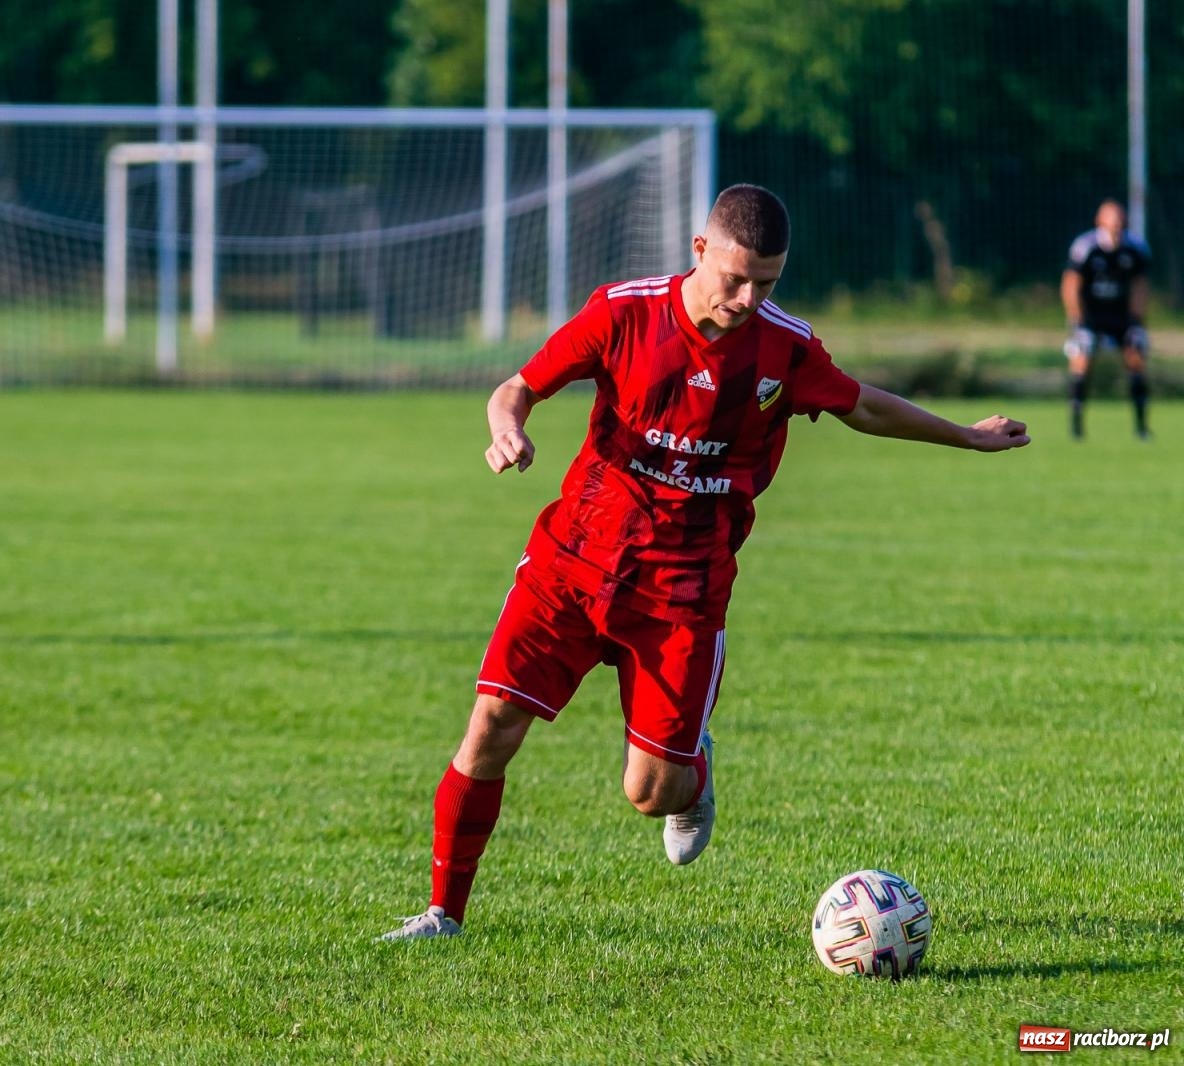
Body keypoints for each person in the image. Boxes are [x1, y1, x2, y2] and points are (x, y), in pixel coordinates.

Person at [380, 184, 1030, 941]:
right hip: (572, 561)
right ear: (699, 252)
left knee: (651, 794)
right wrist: (506, 431)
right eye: (735, 278)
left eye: (768, 282)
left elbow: (865, 407)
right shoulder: (624, 312)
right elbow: (516, 389)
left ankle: (693, 770)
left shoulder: (784, 347)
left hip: (684, 588)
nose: (749, 296)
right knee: (490, 724)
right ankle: (442, 915)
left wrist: (965, 435)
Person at [1061, 200, 1151, 441]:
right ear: (1100, 222)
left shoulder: (1135, 247)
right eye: (1112, 220)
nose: (1117, 225)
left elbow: (1139, 285)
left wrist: (1136, 319)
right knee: (1082, 362)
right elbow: (1071, 285)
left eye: (1121, 220)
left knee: (1136, 360)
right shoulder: (1086, 247)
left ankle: (1141, 428)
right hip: (1091, 316)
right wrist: (1076, 319)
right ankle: (1076, 426)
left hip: (1122, 316)